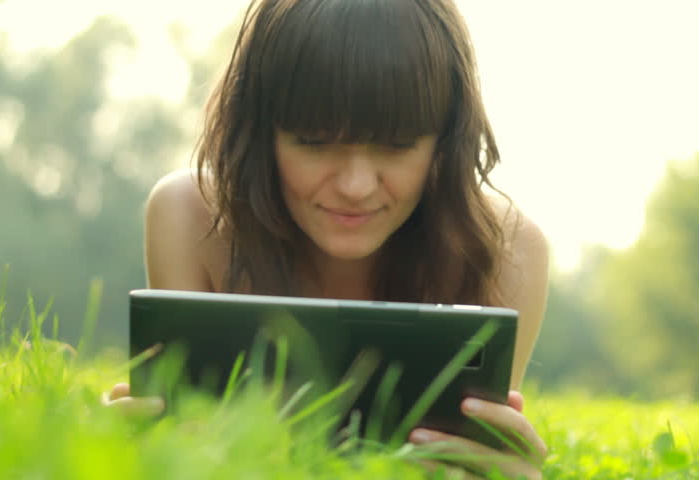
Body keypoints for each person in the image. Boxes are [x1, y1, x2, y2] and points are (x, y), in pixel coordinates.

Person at [104, 0, 550, 477]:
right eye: (315, 143)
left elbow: (473, 455)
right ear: (260, 133)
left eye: (397, 145)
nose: (355, 186)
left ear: (445, 142)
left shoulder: (507, 251)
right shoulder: (190, 215)